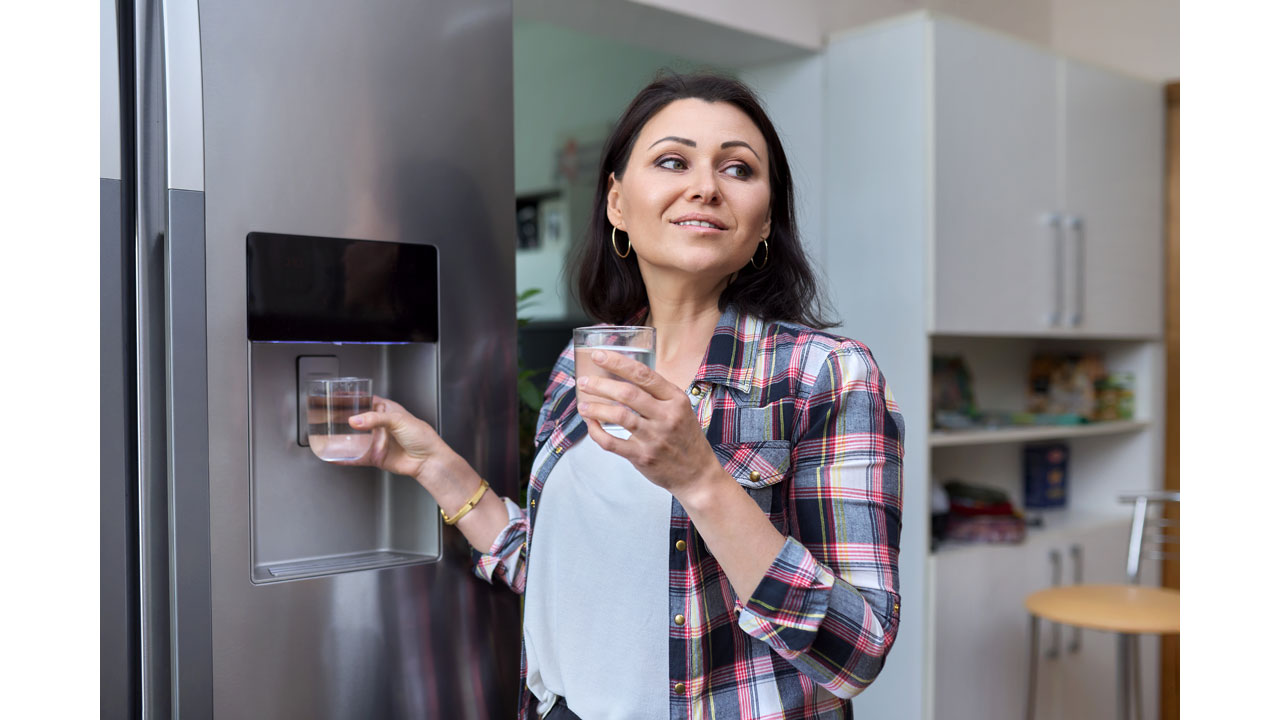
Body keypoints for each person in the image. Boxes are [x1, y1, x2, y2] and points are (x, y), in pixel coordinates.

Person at [348, 72, 905, 719]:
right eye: (673, 160)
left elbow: (856, 651)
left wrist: (701, 479)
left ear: (765, 223)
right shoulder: (586, 363)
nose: (705, 186)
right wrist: (432, 467)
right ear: (617, 203)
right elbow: (564, 575)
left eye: (738, 169)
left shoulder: (827, 375)